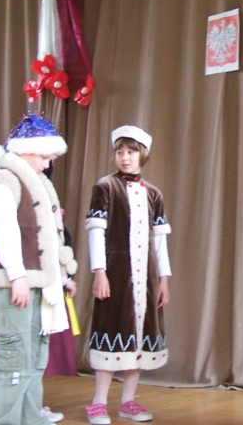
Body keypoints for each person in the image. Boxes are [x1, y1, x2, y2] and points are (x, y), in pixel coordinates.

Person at [0, 114, 78, 425]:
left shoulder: (39, 184)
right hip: (15, 284)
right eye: (44, 157)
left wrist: (63, 276)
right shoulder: (5, 181)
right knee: (13, 360)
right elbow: (4, 230)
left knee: (34, 356)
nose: (47, 164)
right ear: (24, 150)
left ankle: (30, 416)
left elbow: (50, 237)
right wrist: (17, 275)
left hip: (39, 284)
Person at [84, 126, 171, 424]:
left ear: (143, 154)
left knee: (139, 335)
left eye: (131, 152)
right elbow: (96, 233)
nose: (125, 157)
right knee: (112, 331)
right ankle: (98, 403)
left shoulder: (154, 194)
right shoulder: (105, 187)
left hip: (146, 277)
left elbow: (160, 241)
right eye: (120, 152)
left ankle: (128, 401)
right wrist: (100, 272)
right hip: (117, 274)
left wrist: (163, 280)